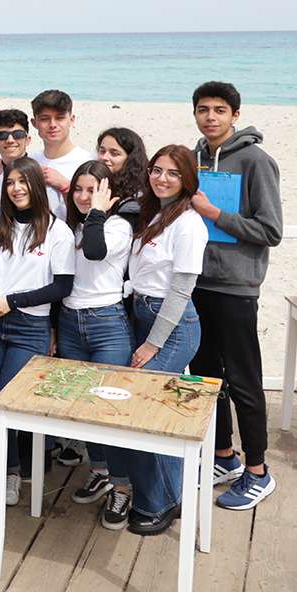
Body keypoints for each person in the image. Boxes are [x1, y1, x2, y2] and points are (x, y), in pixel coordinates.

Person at [185, 81, 283, 511]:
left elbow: (270, 231)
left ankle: (259, 472)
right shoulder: (193, 161)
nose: (211, 117)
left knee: (244, 380)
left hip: (236, 287)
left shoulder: (256, 161)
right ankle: (224, 456)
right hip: (196, 283)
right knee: (206, 378)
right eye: (203, 109)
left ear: (235, 115)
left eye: (220, 110)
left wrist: (215, 214)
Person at [0, 157, 74, 518]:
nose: (17, 188)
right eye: (11, 182)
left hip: (28, 327)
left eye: (24, 182)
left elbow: (62, 286)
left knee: (4, 404)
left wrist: (14, 301)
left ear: (37, 187)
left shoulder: (58, 232)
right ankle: (9, 473)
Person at [108, 144, 208, 535]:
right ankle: (164, 494)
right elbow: (145, 273)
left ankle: (162, 501)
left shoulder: (188, 224)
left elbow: (180, 291)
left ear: (187, 181)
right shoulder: (158, 216)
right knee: (152, 412)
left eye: (172, 173)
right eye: (156, 170)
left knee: (146, 413)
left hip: (172, 325)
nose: (162, 178)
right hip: (143, 312)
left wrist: (152, 344)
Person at [54, 161, 136, 527]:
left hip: (107, 323)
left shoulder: (116, 225)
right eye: (80, 190)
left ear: (108, 192)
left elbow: (95, 252)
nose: (85, 197)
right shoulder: (71, 226)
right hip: (70, 322)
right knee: (84, 407)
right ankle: (100, 470)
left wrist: (99, 212)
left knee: (109, 411)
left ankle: (122, 487)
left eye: (94, 190)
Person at [0, 109, 66, 219]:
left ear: (28, 140)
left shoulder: (42, 175)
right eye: (2, 135)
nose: (10, 140)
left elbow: (58, 218)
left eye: (17, 134)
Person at [28, 90, 90, 194]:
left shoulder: (87, 162)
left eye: (60, 118)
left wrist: (65, 185)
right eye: (45, 119)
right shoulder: (32, 162)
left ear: (71, 119)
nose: (52, 124)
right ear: (34, 123)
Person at [95, 127, 149, 223]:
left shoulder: (136, 198)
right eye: (102, 151)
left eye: (114, 153)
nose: (104, 157)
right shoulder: (95, 184)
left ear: (130, 159)